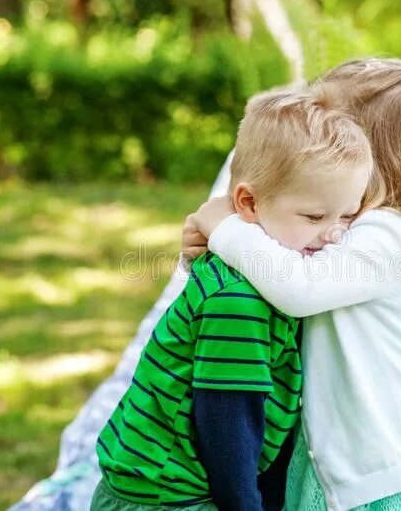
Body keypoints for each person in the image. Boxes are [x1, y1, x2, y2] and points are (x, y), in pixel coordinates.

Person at [184, 57, 401, 511]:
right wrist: (217, 238)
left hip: (386, 470)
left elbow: (298, 289)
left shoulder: (386, 235)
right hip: (335, 464)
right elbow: (268, 269)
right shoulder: (339, 225)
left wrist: (226, 229)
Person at [91, 86, 378, 510]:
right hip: (165, 493)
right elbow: (227, 423)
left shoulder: (280, 273)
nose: (334, 233)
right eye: (315, 217)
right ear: (247, 202)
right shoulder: (238, 300)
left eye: (348, 215)